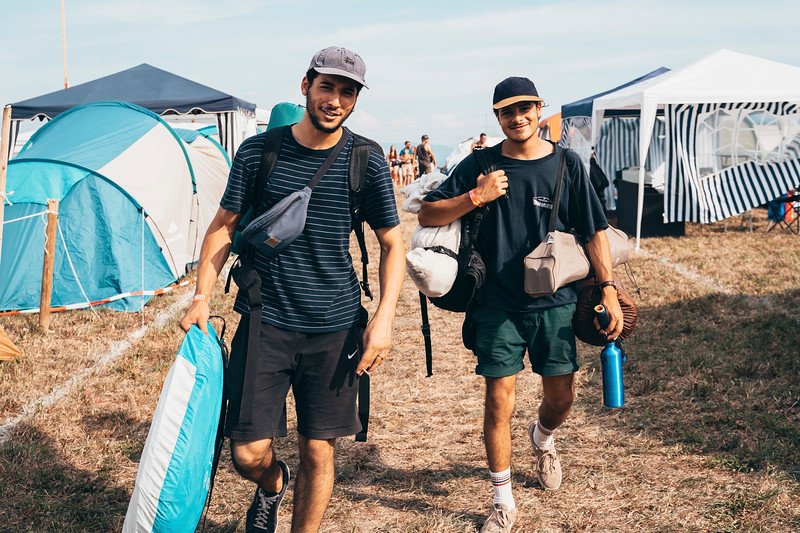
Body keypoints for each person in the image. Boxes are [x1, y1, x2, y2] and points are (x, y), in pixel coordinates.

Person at [179, 46, 405, 533]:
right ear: (306, 86)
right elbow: (223, 226)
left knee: (318, 448)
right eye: (327, 87)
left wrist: (384, 317)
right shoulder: (260, 152)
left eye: (348, 92)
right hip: (266, 321)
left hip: (336, 326)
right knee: (246, 452)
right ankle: (271, 483)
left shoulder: (366, 158)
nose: (336, 100)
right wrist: (201, 298)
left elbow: (392, 243)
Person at [418, 76, 623, 533]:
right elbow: (428, 213)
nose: (518, 118)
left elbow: (593, 231)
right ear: (497, 118)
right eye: (507, 111)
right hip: (495, 303)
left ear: (538, 108)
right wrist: (476, 196)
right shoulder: (481, 163)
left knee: (561, 398)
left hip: (555, 304)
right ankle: (502, 501)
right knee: (497, 403)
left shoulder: (567, 164)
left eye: (525, 108)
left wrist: (607, 286)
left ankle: (543, 438)